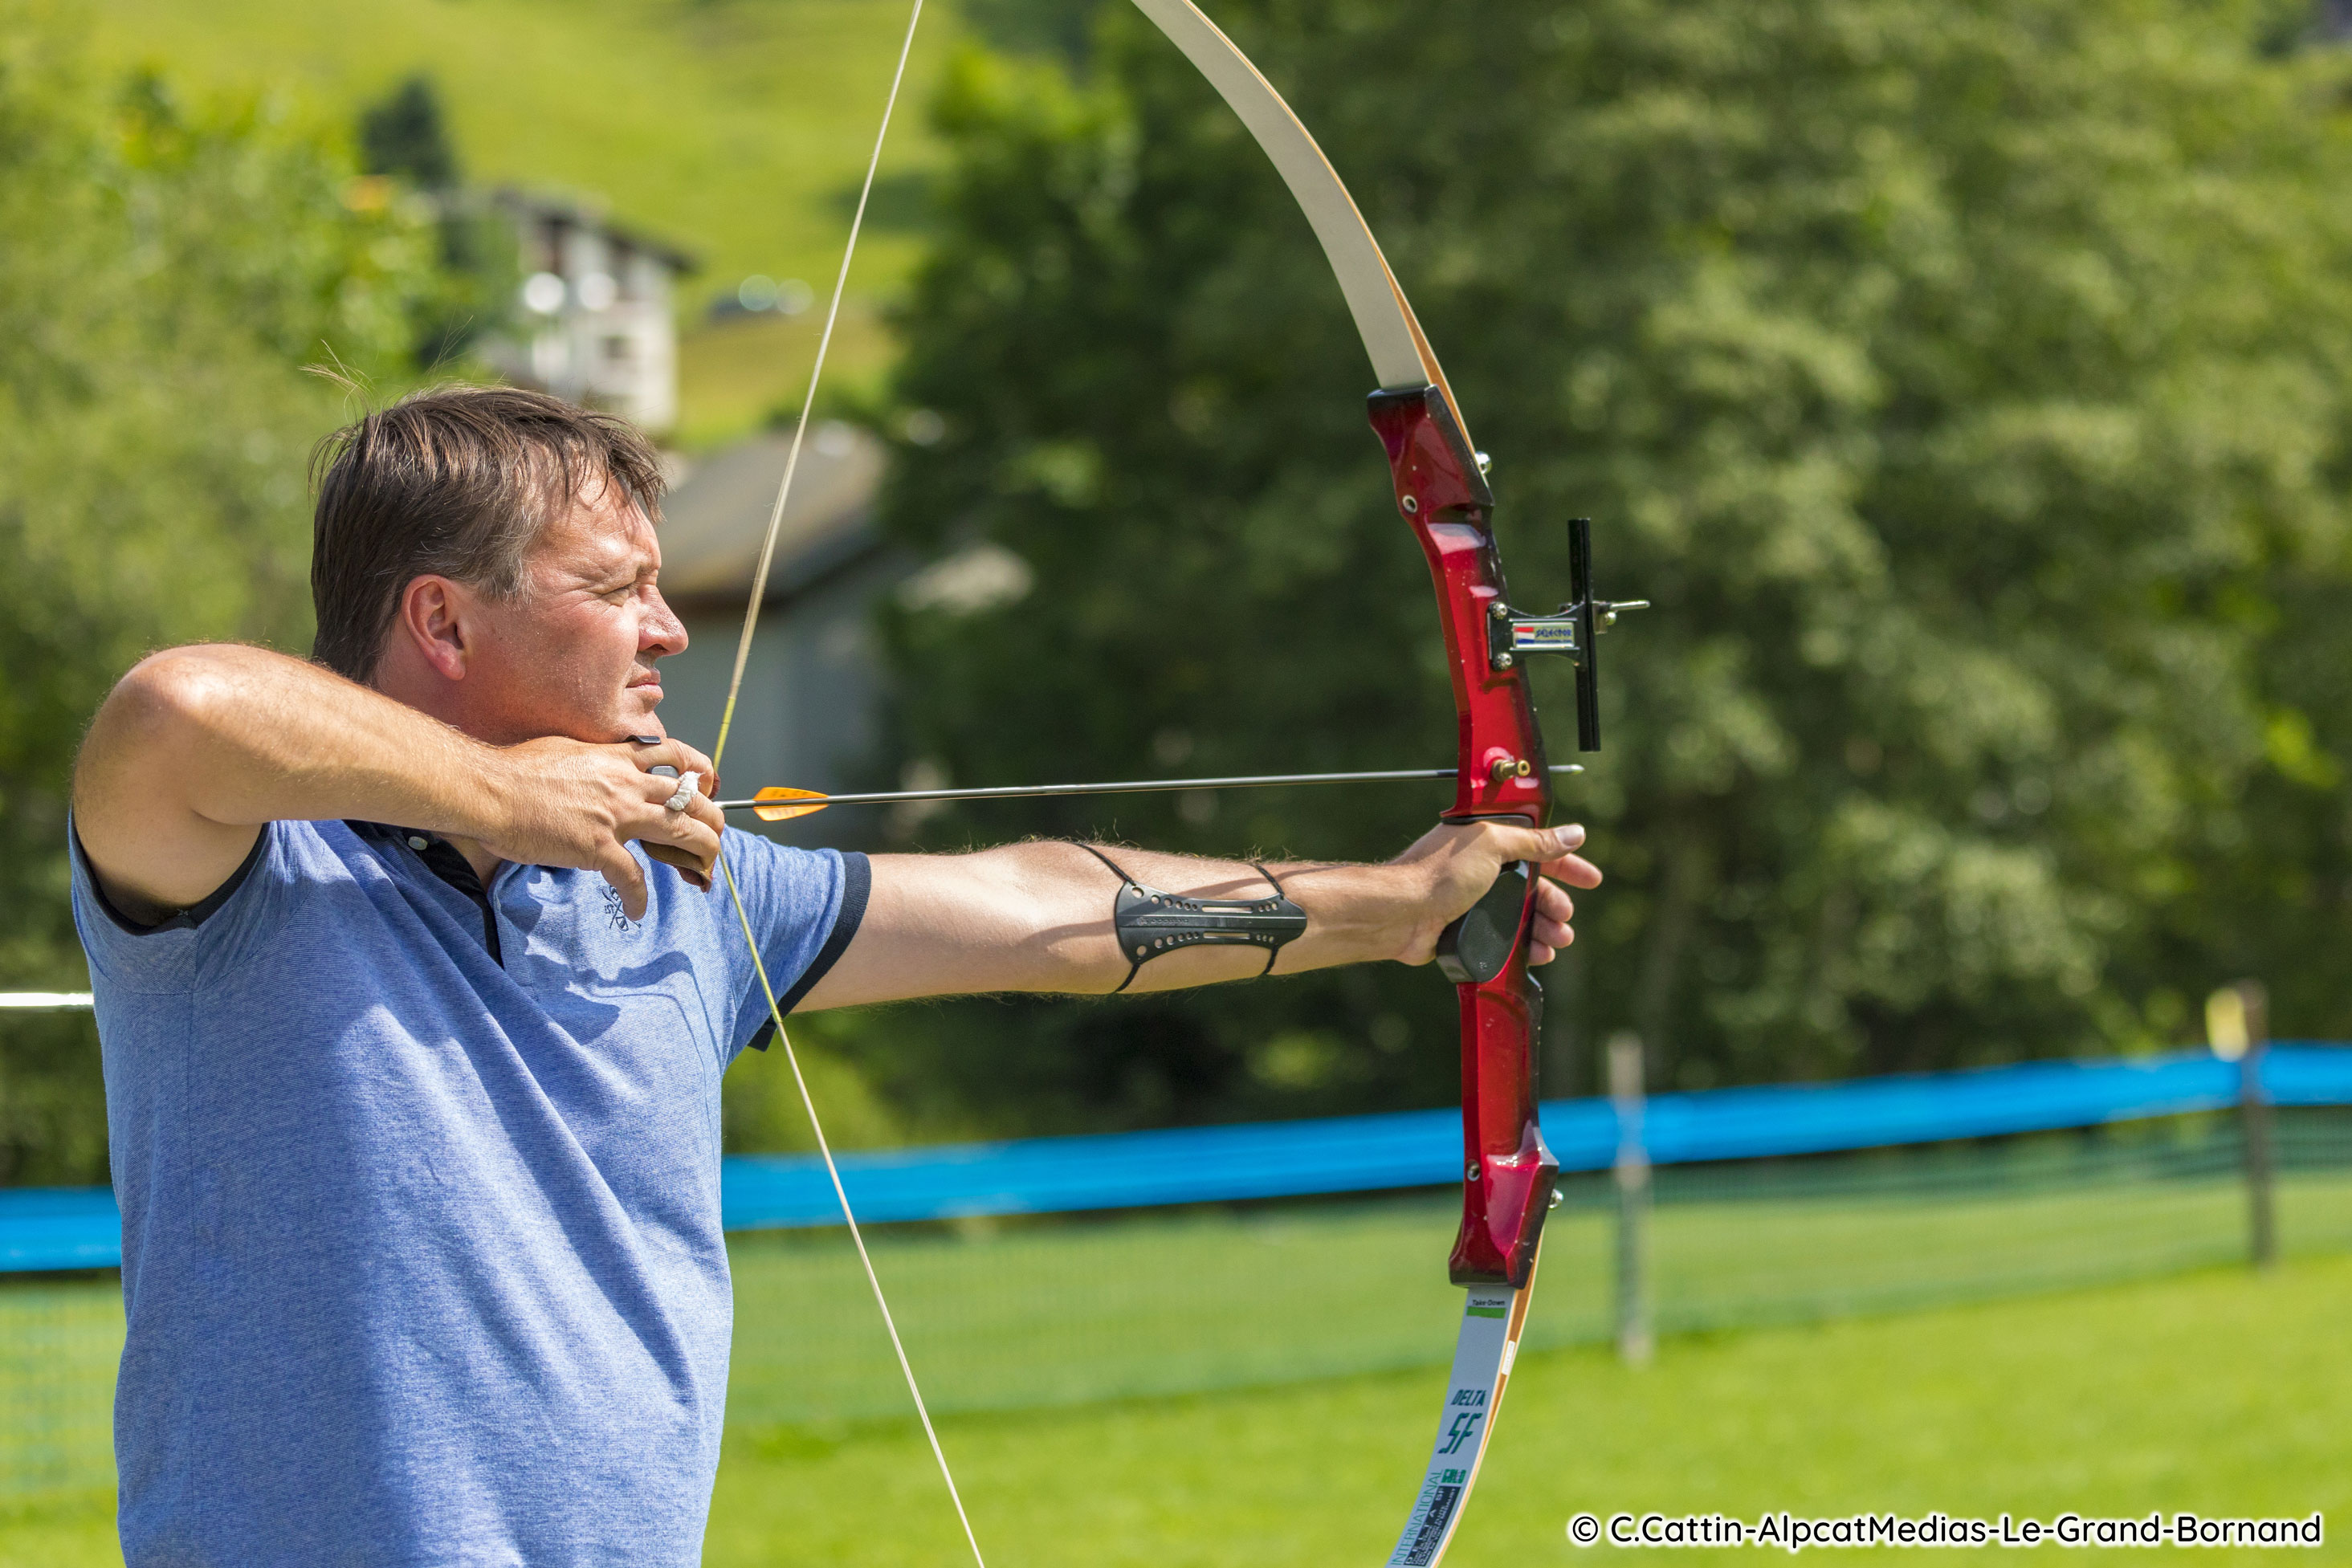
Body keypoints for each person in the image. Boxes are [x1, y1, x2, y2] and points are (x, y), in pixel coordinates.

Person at [67, 385, 1602, 1566]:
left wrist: (1398, 906)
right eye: (612, 588)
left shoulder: (684, 896)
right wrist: (515, 797)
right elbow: (173, 707)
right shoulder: (248, 881)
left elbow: (1044, 912)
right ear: (441, 619)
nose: (667, 627)